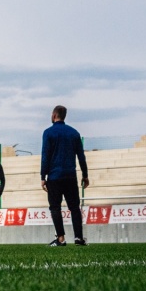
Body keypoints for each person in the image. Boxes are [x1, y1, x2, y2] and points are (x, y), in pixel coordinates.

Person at [41, 105, 89, 247]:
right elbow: (81, 156)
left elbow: (45, 156)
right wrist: (85, 175)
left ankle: (60, 239)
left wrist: (43, 176)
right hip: (70, 176)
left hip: (54, 176)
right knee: (74, 207)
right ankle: (79, 238)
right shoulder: (74, 133)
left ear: (54, 115)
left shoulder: (48, 133)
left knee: (55, 207)